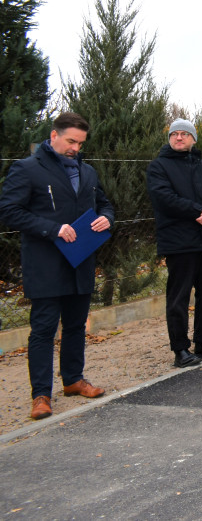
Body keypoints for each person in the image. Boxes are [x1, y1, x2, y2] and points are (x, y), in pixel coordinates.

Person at [0, 112, 115, 420]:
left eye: (80, 143)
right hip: (46, 263)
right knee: (43, 329)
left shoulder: (87, 172)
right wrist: (53, 229)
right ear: (53, 136)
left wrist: (107, 218)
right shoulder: (27, 169)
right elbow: (9, 211)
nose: (75, 148)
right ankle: (41, 395)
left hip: (81, 261)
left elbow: (103, 203)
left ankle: (73, 380)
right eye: (70, 141)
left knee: (76, 325)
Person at [146, 118, 202, 368]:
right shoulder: (159, 167)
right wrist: (200, 212)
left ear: (194, 139)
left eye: (185, 134)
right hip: (180, 243)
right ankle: (180, 350)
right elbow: (164, 198)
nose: (179, 137)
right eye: (175, 134)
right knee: (179, 298)